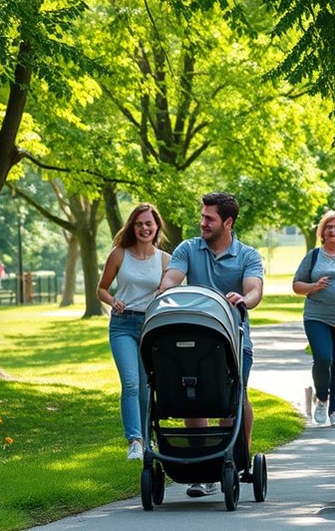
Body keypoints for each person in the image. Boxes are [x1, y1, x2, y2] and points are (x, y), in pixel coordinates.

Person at [158, 192, 264, 497]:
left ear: (227, 222)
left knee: (232, 398)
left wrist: (245, 299)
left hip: (233, 338)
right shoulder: (188, 248)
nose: (202, 222)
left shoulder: (248, 256)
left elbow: (254, 289)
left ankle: (236, 457)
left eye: (209, 218)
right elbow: (172, 278)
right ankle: (202, 469)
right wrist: (166, 289)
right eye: (202, 216)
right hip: (194, 337)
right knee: (194, 396)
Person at [96, 203, 171, 461]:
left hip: (151, 327)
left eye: (149, 223)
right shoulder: (119, 254)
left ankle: (147, 438)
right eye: (139, 224)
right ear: (132, 226)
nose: (144, 228)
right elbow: (101, 289)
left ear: (157, 227)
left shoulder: (165, 260)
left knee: (145, 388)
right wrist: (112, 300)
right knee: (130, 383)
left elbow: (171, 292)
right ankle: (135, 441)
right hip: (122, 325)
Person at [292, 211, 335, 428]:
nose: (334, 230)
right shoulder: (313, 256)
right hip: (316, 315)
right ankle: (321, 397)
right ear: (323, 231)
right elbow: (296, 285)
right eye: (330, 226)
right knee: (322, 358)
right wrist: (313, 286)